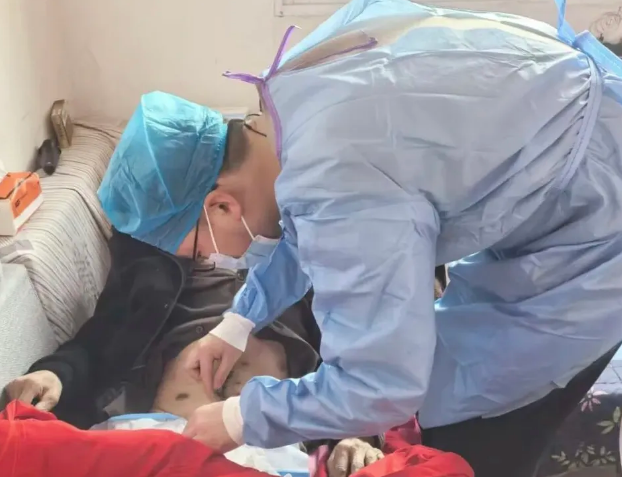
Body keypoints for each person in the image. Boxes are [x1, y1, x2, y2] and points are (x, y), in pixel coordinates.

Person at [149, 1, 622, 476]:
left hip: (598, 229)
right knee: (441, 385)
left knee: (467, 438)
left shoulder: (336, 179)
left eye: (199, 250)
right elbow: (308, 224)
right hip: (574, 143)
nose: (213, 260)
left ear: (221, 206)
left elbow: (381, 386)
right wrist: (238, 322)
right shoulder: (295, 99)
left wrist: (241, 418)